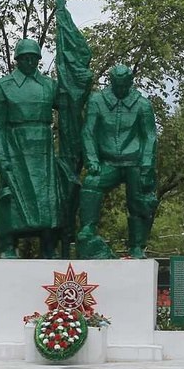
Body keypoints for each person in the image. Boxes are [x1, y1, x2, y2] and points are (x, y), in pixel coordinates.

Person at [0, 38, 62, 258]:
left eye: (33, 58)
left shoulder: (49, 85)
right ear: (17, 60)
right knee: (11, 197)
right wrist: (1, 156)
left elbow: (68, 107)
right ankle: (8, 244)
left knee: (47, 197)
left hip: (43, 148)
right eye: (25, 58)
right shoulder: (4, 86)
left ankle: (49, 244)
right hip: (15, 147)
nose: (29, 62)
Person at [77, 65, 158, 259]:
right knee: (91, 183)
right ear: (111, 82)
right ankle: (88, 228)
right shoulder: (97, 101)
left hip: (135, 162)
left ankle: (137, 246)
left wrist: (146, 165)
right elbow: (88, 132)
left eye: (124, 86)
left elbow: (150, 136)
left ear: (130, 83)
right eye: (117, 85)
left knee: (139, 200)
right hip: (108, 162)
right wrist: (92, 160)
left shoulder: (143, 105)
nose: (120, 89)